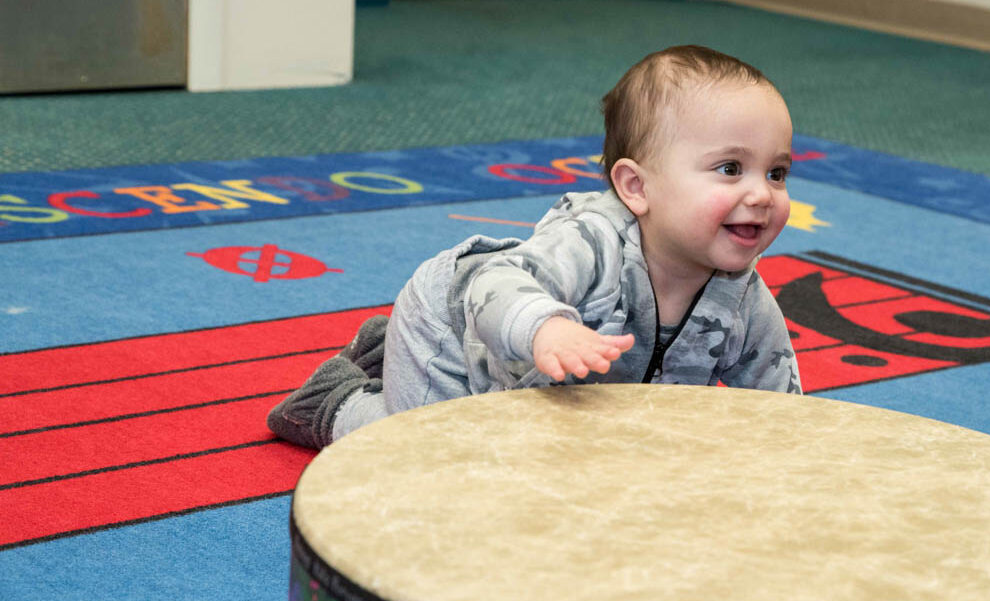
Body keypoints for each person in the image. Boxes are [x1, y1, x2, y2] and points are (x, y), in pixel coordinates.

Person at [267, 44, 801, 450]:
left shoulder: (743, 296)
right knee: (433, 456)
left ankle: (388, 358)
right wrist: (548, 326)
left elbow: (779, 409)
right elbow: (495, 285)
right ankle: (338, 400)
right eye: (730, 169)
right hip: (455, 328)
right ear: (637, 188)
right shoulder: (592, 241)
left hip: (532, 387)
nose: (761, 194)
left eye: (776, 172)